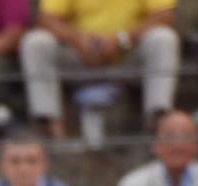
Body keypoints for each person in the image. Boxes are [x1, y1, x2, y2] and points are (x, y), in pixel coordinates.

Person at [19, 0, 180, 139]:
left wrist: (121, 40)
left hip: (129, 55)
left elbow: (164, 16)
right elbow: (46, 18)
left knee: (164, 37)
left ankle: (159, 119)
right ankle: (46, 121)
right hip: (79, 56)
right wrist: (78, 40)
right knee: (36, 41)